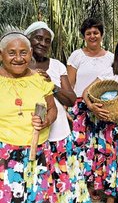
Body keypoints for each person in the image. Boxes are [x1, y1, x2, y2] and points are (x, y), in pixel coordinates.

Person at [24, 21, 91, 202]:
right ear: (27, 39)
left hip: (60, 135)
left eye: (47, 40)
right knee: (40, 188)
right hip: (32, 138)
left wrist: (51, 85)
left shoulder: (57, 66)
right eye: (38, 38)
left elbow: (70, 99)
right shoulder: (19, 66)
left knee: (67, 186)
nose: (43, 43)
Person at [0, 31, 57, 202]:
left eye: (23, 52)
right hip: (5, 153)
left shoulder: (40, 79)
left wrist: (46, 120)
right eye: (12, 53)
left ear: (31, 53)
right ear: (1, 55)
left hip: (37, 151)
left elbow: (53, 108)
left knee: (36, 197)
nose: (18, 58)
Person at [82, 37, 118, 203]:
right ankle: (110, 197)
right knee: (110, 161)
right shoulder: (109, 72)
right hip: (109, 126)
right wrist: (92, 107)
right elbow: (86, 92)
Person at [67, 17, 114, 199]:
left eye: (96, 32)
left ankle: (99, 186)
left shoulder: (111, 57)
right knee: (81, 145)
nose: (92, 36)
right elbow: (69, 84)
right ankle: (83, 186)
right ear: (84, 36)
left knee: (101, 147)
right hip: (80, 106)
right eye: (88, 33)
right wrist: (67, 109)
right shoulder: (76, 55)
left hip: (104, 107)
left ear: (101, 35)